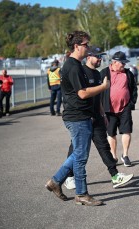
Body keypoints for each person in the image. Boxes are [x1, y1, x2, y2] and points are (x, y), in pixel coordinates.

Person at [45, 31, 109, 206]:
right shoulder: (73, 66)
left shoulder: (75, 65)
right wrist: (103, 87)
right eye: (86, 44)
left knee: (77, 155)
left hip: (80, 116)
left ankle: (55, 181)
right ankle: (81, 194)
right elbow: (82, 93)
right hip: (77, 117)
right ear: (77, 46)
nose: (88, 48)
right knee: (80, 157)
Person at [64, 46, 133, 190]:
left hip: (96, 116)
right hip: (82, 117)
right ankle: (68, 177)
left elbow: (98, 96)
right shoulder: (81, 71)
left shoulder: (97, 74)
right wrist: (103, 87)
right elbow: (82, 93)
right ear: (89, 57)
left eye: (101, 56)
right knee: (77, 149)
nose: (100, 59)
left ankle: (115, 176)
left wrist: (102, 113)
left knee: (104, 147)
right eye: (97, 56)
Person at [100, 51, 138, 167]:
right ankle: (113, 156)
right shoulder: (104, 73)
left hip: (125, 107)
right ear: (115, 62)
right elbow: (99, 91)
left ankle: (125, 155)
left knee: (127, 131)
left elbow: (134, 89)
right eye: (122, 63)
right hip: (109, 109)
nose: (124, 65)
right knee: (111, 133)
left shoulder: (128, 73)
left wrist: (131, 103)